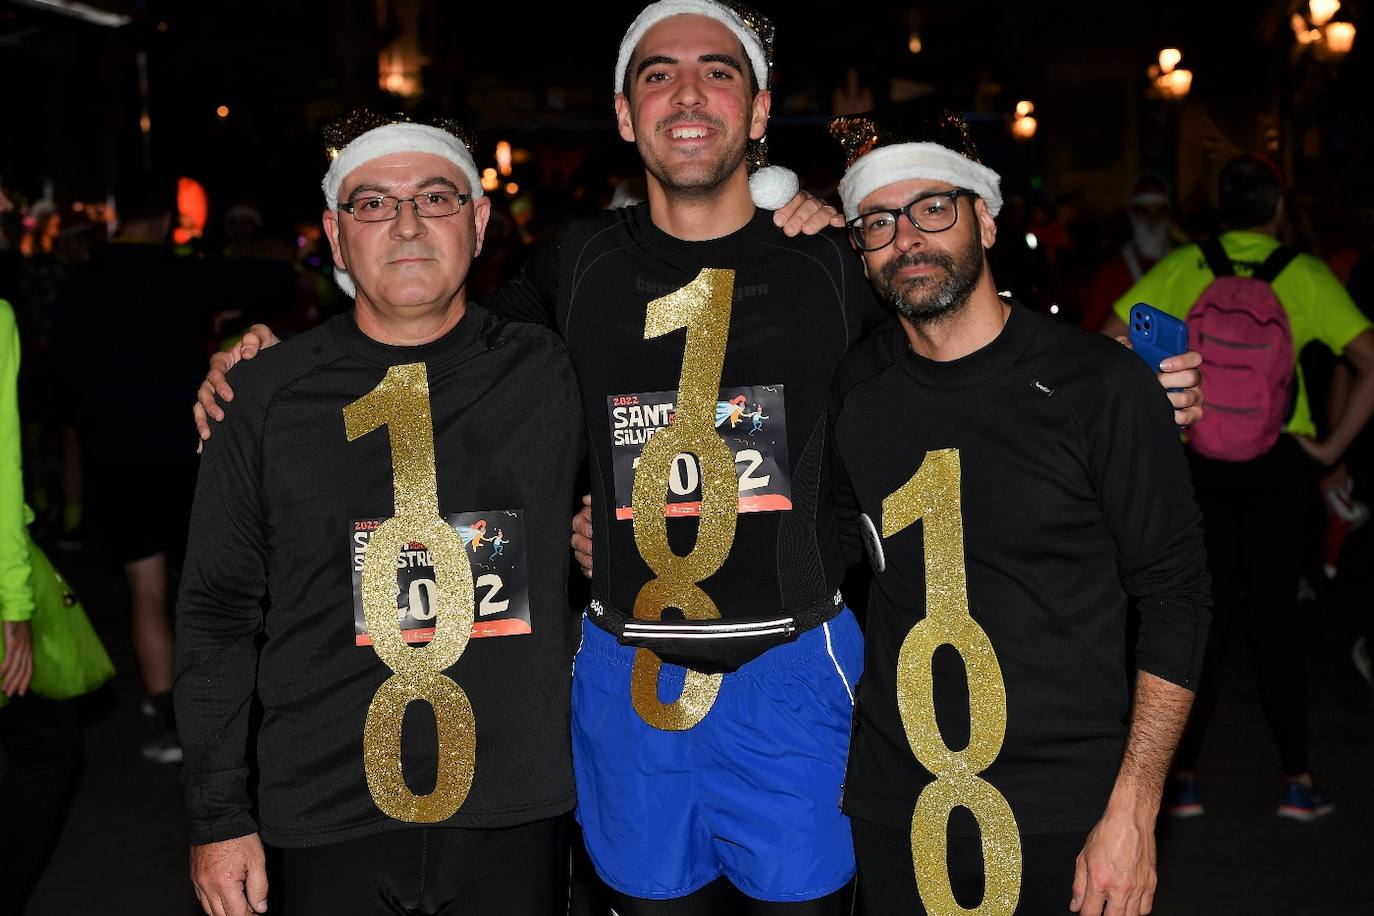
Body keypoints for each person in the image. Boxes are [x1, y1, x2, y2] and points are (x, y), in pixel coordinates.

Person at [193, 6, 1203, 912]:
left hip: (796, 673)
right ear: (625, 116)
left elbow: (961, 347)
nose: (686, 91)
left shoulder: (835, 255)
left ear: (759, 110)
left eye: (717, 71)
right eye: (657, 73)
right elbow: (424, 340)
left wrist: (1114, 375)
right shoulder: (572, 264)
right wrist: (268, 352)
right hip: (622, 678)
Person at [175, 112, 584, 916]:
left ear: (478, 220)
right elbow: (216, 615)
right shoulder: (262, 396)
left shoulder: (552, 368)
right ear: (333, 234)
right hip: (326, 813)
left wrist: (808, 221)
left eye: (435, 197)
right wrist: (216, 817)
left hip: (515, 808)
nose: (405, 223)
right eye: (372, 204)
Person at [827, 98, 1211, 916]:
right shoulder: (856, 393)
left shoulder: (1100, 391)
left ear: (987, 221)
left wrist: (1135, 812)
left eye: (934, 207)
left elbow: (1177, 600)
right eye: (878, 221)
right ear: (860, 252)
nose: (909, 238)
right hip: (901, 813)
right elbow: (808, 553)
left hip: (1067, 819)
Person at [1103, 154, 1374, 820]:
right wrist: (1332, 446)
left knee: (1198, 618)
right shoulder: (1304, 274)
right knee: (1276, 621)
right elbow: (1370, 362)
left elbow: (1109, 342)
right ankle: (1297, 782)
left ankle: (1183, 780)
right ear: (1278, 207)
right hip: (1280, 464)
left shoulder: (1186, 266)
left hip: (1196, 461)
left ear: (1219, 209)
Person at [1081, 174, 1173, 331]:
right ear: (1132, 215)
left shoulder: (1184, 266)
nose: (1152, 221)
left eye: (1160, 211)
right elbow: (1091, 332)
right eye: (1144, 212)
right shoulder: (1111, 272)